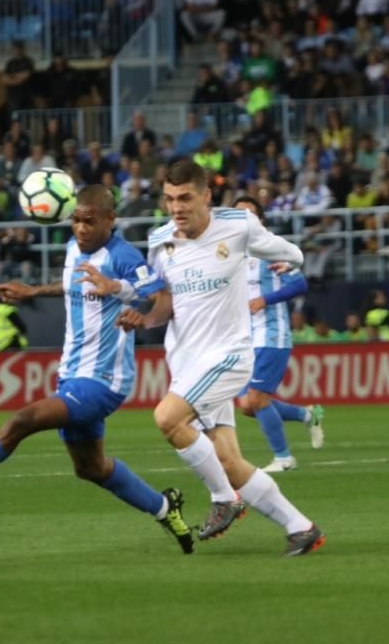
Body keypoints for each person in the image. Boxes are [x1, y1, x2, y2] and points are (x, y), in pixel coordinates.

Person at [0, 186, 195, 555]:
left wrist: (139, 312)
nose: (81, 228)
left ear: (109, 220)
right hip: (71, 373)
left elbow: (162, 295)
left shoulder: (122, 256)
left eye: (90, 221)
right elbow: (74, 287)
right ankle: (166, 508)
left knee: (21, 421)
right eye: (76, 220)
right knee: (91, 468)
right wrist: (34, 291)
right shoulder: (73, 249)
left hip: (103, 381)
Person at [117, 160, 325, 557]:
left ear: (206, 196)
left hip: (228, 356)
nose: (176, 207)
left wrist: (292, 260)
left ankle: (224, 498)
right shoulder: (161, 239)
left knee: (166, 418)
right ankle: (302, 528)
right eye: (169, 199)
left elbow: (290, 252)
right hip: (186, 363)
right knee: (229, 460)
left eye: (185, 198)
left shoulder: (238, 225)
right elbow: (165, 305)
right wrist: (144, 319)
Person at [231, 198, 325, 474]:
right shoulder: (231, 253)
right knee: (248, 406)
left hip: (272, 334)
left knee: (256, 400)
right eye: (237, 215)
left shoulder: (270, 249)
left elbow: (299, 284)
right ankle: (306, 414)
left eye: (249, 214)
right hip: (243, 338)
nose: (243, 219)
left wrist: (266, 299)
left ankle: (283, 458)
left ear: (261, 220)